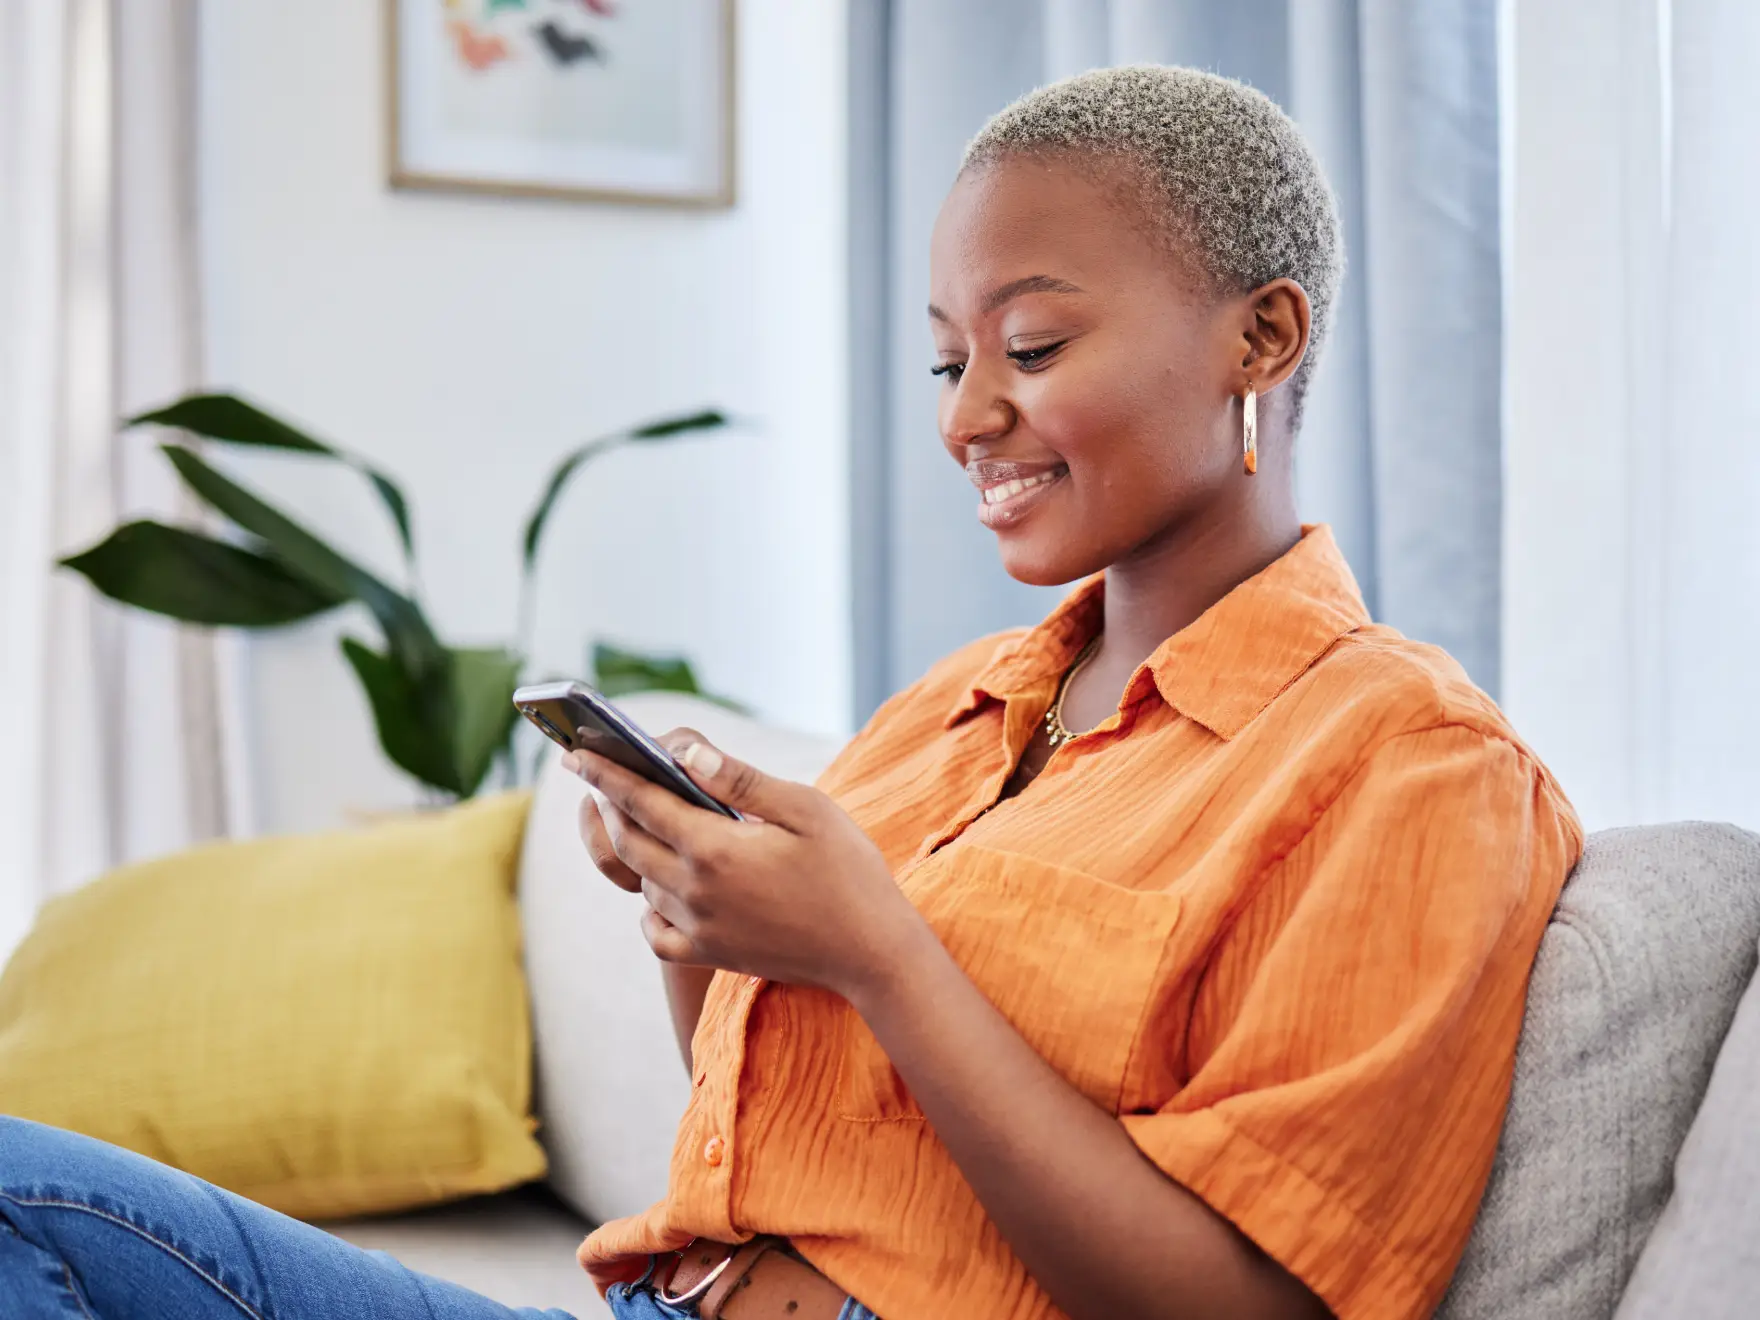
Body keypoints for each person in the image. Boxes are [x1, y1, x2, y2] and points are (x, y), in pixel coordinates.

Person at [0, 65, 1578, 1320]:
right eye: (948, 360)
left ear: (1263, 336)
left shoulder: (1410, 764)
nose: (967, 416)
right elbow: (770, 1121)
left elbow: (1254, 1308)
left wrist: (882, 954)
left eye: (1033, 344)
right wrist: (700, 909)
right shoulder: (956, 710)